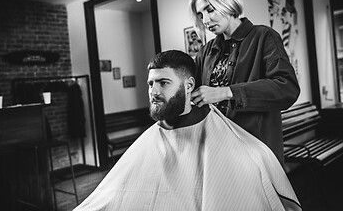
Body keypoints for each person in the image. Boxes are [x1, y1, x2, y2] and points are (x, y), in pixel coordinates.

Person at [73, 50, 301, 211]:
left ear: (189, 85)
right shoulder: (150, 138)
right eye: (151, 84)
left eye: (163, 83)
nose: (153, 91)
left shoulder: (226, 138)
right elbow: (109, 197)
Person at [189, 0, 300, 165]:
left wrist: (226, 92)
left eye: (210, 9)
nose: (206, 19)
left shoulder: (264, 37)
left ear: (226, 2)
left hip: (255, 153)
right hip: (218, 152)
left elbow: (287, 88)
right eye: (200, 15)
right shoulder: (205, 52)